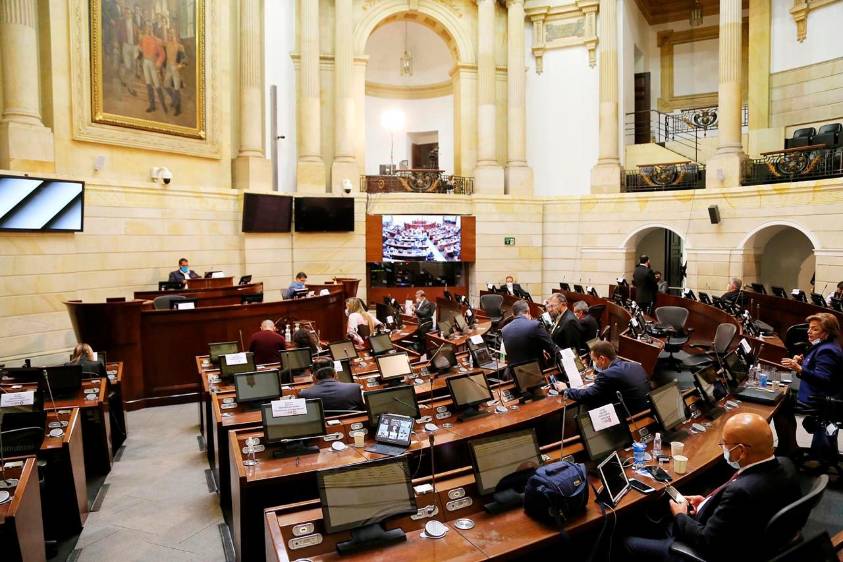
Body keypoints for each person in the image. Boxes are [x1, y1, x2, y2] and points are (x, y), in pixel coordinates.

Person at [624, 413, 801, 562]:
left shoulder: (741, 492)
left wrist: (680, 515)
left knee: (627, 542)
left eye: (724, 444)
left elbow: (706, 541)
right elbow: (736, 513)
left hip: (712, 553)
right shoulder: (786, 465)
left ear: (741, 451)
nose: (723, 448)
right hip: (749, 536)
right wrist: (706, 502)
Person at [775, 312, 843, 456]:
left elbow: (823, 379)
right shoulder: (824, 345)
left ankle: (788, 448)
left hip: (817, 399)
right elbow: (818, 366)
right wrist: (803, 363)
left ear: (826, 333)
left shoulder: (828, 351)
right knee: (783, 398)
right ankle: (790, 447)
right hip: (817, 393)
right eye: (809, 328)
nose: (809, 331)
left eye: (815, 329)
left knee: (780, 403)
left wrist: (799, 369)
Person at [558, 341, 650, 413]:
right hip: (647, 410)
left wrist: (565, 390)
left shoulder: (607, 374)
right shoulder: (635, 365)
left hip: (630, 415)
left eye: (594, 360)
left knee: (589, 404)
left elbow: (587, 395)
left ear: (602, 359)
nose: (594, 363)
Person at [501, 299, 557, 367]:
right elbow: (551, 348)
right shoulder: (535, 325)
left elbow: (510, 352)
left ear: (513, 314)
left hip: (516, 371)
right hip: (536, 370)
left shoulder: (504, 330)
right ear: (528, 311)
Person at [299, 357, 364, 412]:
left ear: (313, 376)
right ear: (335, 373)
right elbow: (364, 410)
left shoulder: (304, 394)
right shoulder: (355, 388)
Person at [138, 21, 167, 113]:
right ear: (145, 28)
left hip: (153, 63)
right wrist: (142, 52)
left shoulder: (156, 40)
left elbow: (162, 54)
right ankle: (152, 105)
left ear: (152, 28)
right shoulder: (143, 39)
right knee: (148, 84)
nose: (149, 29)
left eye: (150, 27)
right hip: (145, 63)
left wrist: (158, 63)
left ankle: (163, 105)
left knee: (157, 84)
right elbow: (140, 47)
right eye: (147, 27)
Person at [162, 27, 186, 116]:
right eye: (169, 33)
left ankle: (178, 109)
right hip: (168, 67)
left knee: (176, 89)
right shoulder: (166, 44)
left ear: (175, 34)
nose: (170, 35)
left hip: (175, 68)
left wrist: (179, 66)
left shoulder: (180, 46)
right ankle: (174, 100)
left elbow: (185, 60)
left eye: (172, 33)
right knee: (166, 85)